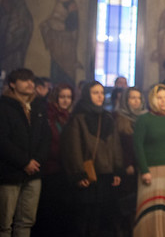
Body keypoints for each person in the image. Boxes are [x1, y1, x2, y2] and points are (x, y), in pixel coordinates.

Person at [61, 80, 123, 237]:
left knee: (99, 216)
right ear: (87, 95)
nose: (100, 96)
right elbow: (73, 147)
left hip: (105, 174)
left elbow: (115, 145)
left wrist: (117, 170)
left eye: (102, 93)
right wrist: (79, 173)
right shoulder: (78, 118)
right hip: (88, 175)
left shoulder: (107, 117)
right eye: (95, 93)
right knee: (83, 216)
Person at [0, 68, 49, 237]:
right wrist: (24, 162)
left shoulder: (38, 107)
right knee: (4, 223)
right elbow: (3, 141)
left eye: (32, 80)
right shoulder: (4, 107)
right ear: (12, 84)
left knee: (26, 221)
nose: (30, 83)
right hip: (9, 173)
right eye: (24, 80)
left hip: (34, 173)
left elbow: (45, 137)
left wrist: (36, 161)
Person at [133, 84, 165, 237]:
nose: (163, 101)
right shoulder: (144, 119)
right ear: (153, 99)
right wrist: (144, 170)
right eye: (159, 97)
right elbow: (138, 146)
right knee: (150, 208)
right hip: (150, 171)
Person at [33, 83, 75, 237]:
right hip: (50, 169)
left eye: (69, 97)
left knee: (63, 211)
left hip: (66, 170)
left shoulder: (69, 117)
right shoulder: (47, 115)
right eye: (62, 97)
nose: (65, 101)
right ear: (55, 97)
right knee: (49, 210)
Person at [114, 87, 146, 237]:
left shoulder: (145, 118)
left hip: (143, 166)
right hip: (127, 167)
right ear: (126, 100)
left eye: (138, 98)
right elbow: (117, 145)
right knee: (127, 202)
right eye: (132, 98)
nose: (136, 101)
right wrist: (126, 164)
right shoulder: (118, 118)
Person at [39, 0, 80, 85]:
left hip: (66, 39)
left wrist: (58, 24)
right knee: (56, 63)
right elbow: (54, 17)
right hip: (56, 39)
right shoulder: (58, 2)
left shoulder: (71, 4)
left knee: (66, 66)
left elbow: (72, 23)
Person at [0, 0, 34, 75]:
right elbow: (4, 14)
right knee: (7, 57)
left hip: (21, 34)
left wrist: (27, 24)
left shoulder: (22, 0)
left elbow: (26, 16)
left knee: (17, 57)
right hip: (9, 33)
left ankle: (16, 74)